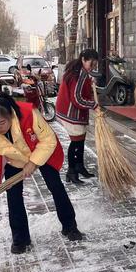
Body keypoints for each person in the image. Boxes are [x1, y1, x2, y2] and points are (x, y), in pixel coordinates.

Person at [0, 94, 82, 254]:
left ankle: (70, 227)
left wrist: (33, 163)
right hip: (15, 160)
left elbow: (48, 140)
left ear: (10, 115)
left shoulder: (29, 113)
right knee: (14, 197)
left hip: (40, 152)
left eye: (2, 122)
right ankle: (20, 238)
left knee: (56, 187)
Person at [56, 49, 99, 184]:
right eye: (91, 64)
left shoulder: (78, 70)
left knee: (80, 141)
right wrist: (94, 105)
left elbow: (79, 90)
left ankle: (79, 167)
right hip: (71, 113)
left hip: (71, 111)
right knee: (76, 142)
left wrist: (89, 81)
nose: (92, 67)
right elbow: (77, 98)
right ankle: (71, 172)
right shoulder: (79, 73)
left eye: (94, 65)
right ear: (83, 60)